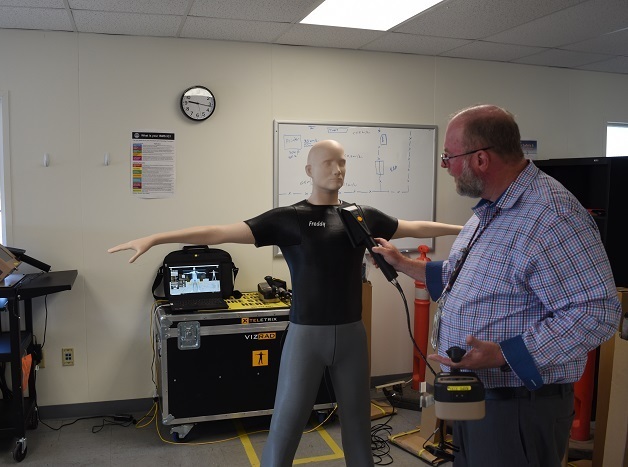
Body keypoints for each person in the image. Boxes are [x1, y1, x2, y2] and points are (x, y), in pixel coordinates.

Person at [108, 139, 462, 467]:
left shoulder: (360, 215)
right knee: (287, 422)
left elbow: (414, 227)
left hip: (353, 334)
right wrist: (156, 238)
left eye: (342, 163)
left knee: (356, 424)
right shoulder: (288, 219)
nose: (337, 170)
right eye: (327, 163)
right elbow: (218, 232)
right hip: (306, 337)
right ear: (308, 170)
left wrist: (467, 229)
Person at [372, 105, 622, 467]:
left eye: (448, 157)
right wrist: (403, 264)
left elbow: (596, 311)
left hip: (519, 405)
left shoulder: (552, 215)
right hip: (481, 396)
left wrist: (504, 354)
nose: (446, 167)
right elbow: (468, 277)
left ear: (481, 160)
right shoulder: (492, 209)